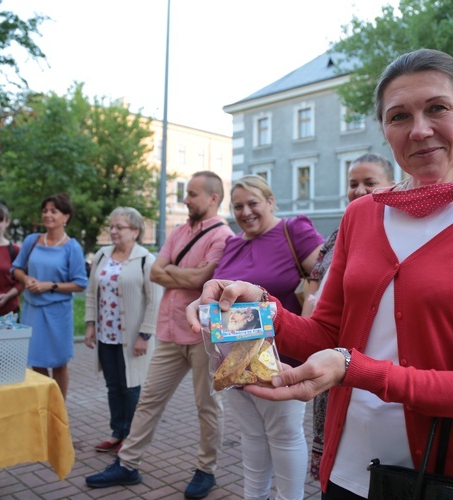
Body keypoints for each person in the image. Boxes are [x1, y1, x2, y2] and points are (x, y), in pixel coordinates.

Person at [188, 48, 453, 499]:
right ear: (384, 129)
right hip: (349, 466)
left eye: (437, 108)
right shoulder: (362, 215)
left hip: (442, 475)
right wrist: (262, 306)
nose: (419, 130)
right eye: (399, 117)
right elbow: (326, 334)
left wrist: (356, 369)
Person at [86, 171, 234, 499]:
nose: (186, 199)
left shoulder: (222, 235)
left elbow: (202, 279)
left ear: (212, 198)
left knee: (208, 406)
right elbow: (156, 271)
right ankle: (127, 464)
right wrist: (184, 276)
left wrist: (176, 275)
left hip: (203, 335)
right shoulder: (179, 230)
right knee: (149, 400)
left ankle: (206, 470)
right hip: (169, 332)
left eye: (192, 194)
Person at [211, 174, 324, 500]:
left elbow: (326, 277)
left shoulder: (293, 230)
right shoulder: (232, 242)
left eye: (253, 203)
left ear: (271, 202)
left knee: (285, 436)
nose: (245, 212)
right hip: (234, 357)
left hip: (280, 356)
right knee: (252, 436)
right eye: (238, 206)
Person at [304, 153, 395, 482]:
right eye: (352, 184)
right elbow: (313, 289)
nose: (358, 191)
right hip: (332, 354)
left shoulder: (397, 232)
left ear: (391, 184)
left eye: (369, 183)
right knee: (338, 451)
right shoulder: (339, 233)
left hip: (374, 363)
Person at [84, 207, 164, 453]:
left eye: (120, 227)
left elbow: (155, 301)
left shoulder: (145, 259)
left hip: (133, 339)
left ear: (136, 231)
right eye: (112, 226)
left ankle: (132, 438)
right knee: (113, 385)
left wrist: (145, 335)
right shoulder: (101, 255)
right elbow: (91, 293)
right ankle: (117, 433)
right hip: (107, 336)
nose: (114, 231)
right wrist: (90, 325)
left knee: (131, 388)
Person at [12, 193, 88, 400]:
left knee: (59, 363)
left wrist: (49, 286)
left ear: (66, 217)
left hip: (58, 313)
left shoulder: (72, 247)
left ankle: (59, 406)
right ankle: (43, 404)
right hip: (33, 310)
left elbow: (80, 284)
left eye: (54, 211)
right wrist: (26, 279)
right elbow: (16, 268)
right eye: (45, 211)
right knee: (37, 361)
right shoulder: (32, 241)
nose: (48, 215)